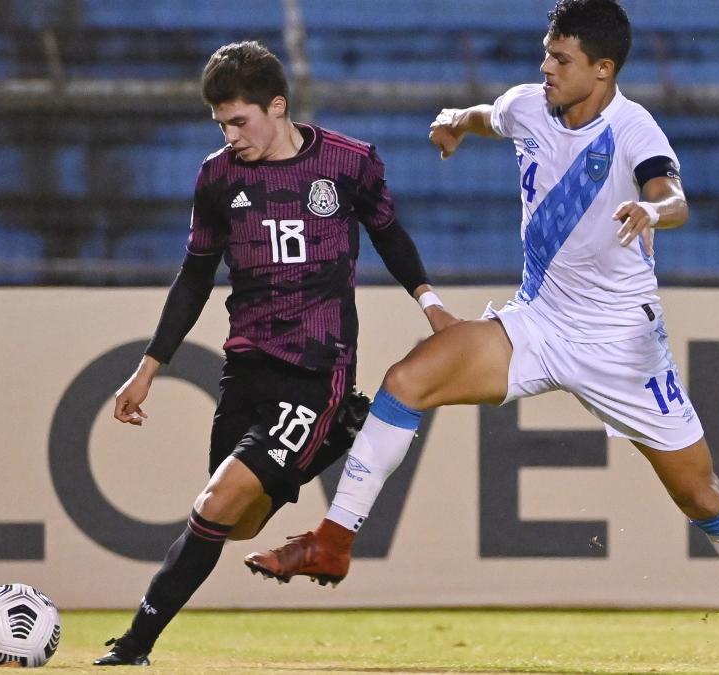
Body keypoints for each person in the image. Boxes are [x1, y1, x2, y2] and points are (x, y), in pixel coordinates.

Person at [244, 1, 719, 669]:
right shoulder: (529, 105)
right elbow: (491, 115)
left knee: (699, 493)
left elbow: (675, 196)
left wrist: (650, 209)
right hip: (540, 321)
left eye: (561, 58)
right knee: (407, 381)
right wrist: (456, 122)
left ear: (602, 70)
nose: (546, 66)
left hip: (620, 345)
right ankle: (334, 538)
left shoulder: (633, 128)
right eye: (546, 52)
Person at [92, 40, 457, 666]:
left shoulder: (349, 163)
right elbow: (194, 277)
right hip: (246, 369)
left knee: (212, 506)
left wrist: (429, 302)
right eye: (222, 124)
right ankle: (343, 435)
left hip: (317, 370)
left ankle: (134, 646)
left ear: (277, 106)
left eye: (240, 120)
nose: (231, 135)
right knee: (241, 524)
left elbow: (389, 233)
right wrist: (148, 368)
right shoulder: (217, 177)